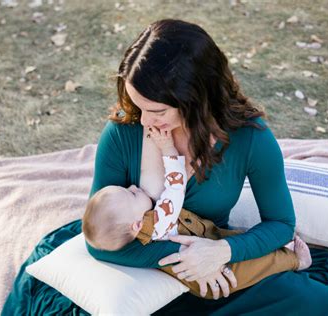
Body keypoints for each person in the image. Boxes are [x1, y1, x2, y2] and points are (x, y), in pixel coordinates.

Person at [2, 19, 328, 315]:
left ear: (195, 98)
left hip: (218, 260)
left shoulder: (250, 138)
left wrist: (220, 253)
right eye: (137, 105)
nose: (144, 119)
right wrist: (185, 262)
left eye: (158, 110)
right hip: (143, 267)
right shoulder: (123, 131)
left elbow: (280, 224)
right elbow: (101, 242)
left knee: (326, 308)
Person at [82, 126, 312, 300]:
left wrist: (215, 252)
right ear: (135, 225)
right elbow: (175, 185)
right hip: (205, 274)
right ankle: (292, 260)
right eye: (131, 194)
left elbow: (281, 223)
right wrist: (168, 149)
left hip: (211, 242)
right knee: (240, 273)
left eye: (158, 109)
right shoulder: (159, 218)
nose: (132, 186)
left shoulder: (136, 228)